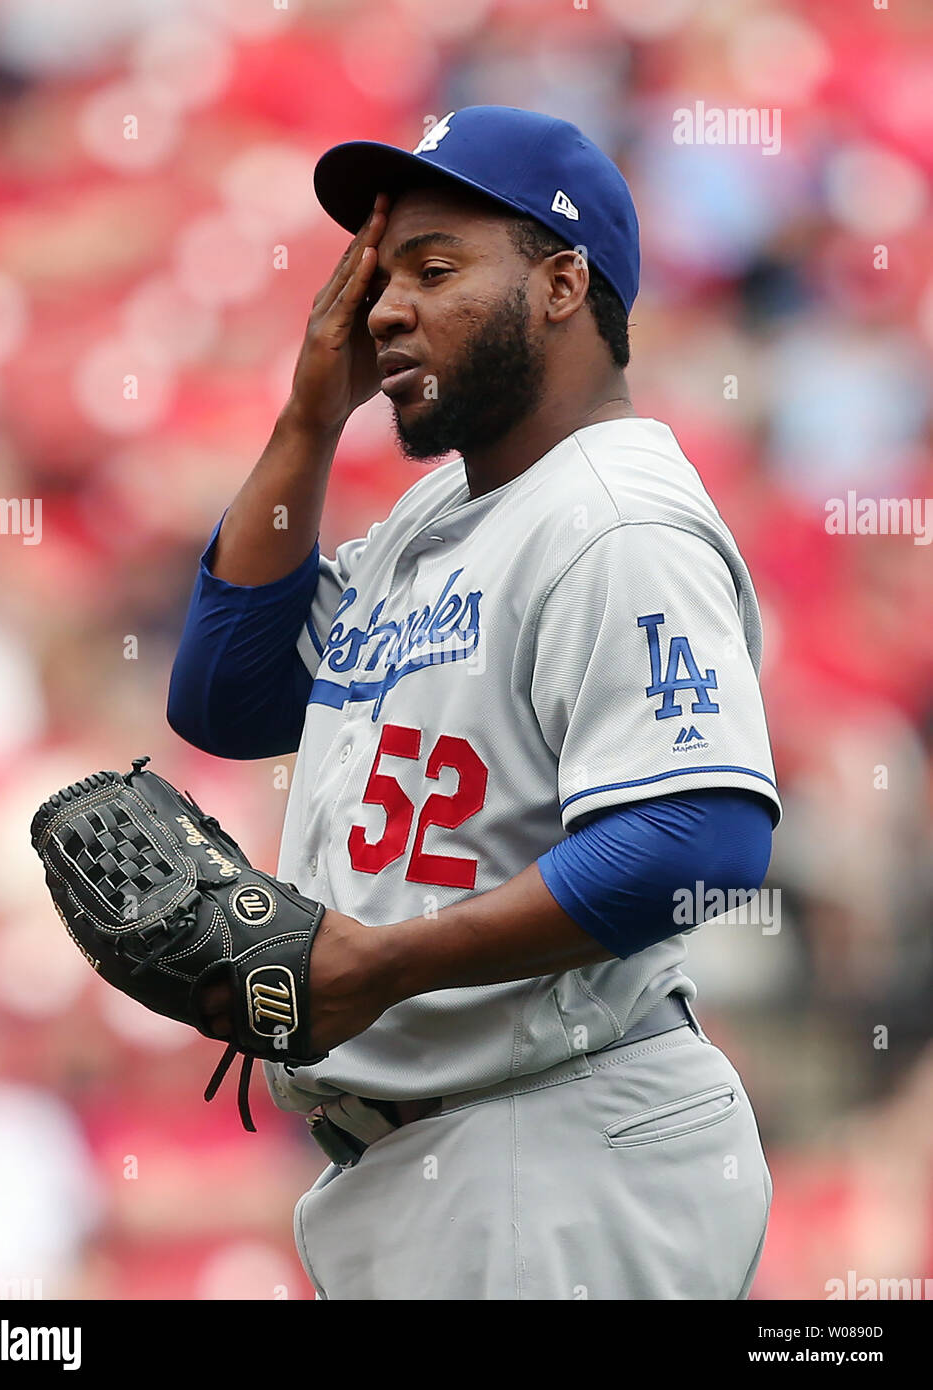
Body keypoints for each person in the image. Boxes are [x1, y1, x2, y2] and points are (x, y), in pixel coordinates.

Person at [168, 105, 779, 1301]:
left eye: (434, 269)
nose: (384, 307)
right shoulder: (435, 520)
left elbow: (697, 842)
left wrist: (385, 965)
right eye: (376, 276)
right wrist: (308, 416)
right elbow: (225, 699)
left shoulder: (613, 517)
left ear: (560, 286)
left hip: (552, 1148)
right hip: (451, 1162)